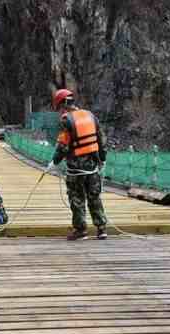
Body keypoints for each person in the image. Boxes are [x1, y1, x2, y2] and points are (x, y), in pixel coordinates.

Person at [46, 88, 108, 240]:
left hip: (75, 169)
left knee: (77, 199)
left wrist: (54, 162)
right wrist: (103, 158)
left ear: (63, 105)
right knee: (95, 197)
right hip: (92, 167)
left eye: (59, 108)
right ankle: (101, 229)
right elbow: (101, 139)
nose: (59, 111)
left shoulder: (67, 120)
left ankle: (81, 230)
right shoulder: (90, 115)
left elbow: (63, 146)